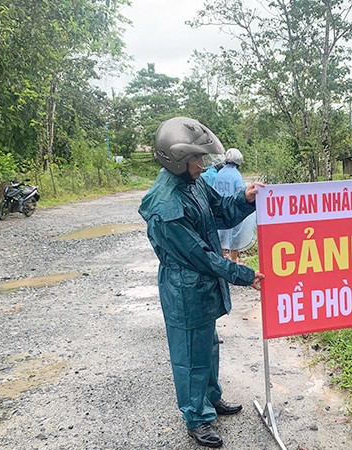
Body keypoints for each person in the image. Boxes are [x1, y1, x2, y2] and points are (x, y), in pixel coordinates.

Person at [138, 117, 264, 448]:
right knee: (190, 353)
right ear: (177, 160)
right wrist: (244, 274)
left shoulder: (194, 183)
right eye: (196, 159)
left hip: (201, 284)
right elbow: (202, 255)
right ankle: (197, 417)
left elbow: (220, 210)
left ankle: (211, 398)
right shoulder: (167, 206)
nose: (202, 164)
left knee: (208, 345)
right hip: (184, 287)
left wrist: (246, 199)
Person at [214, 148, 256, 262]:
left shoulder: (219, 173)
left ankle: (221, 259)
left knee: (221, 235)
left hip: (220, 209)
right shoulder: (236, 175)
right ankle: (233, 259)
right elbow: (241, 193)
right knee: (235, 235)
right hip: (233, 209)